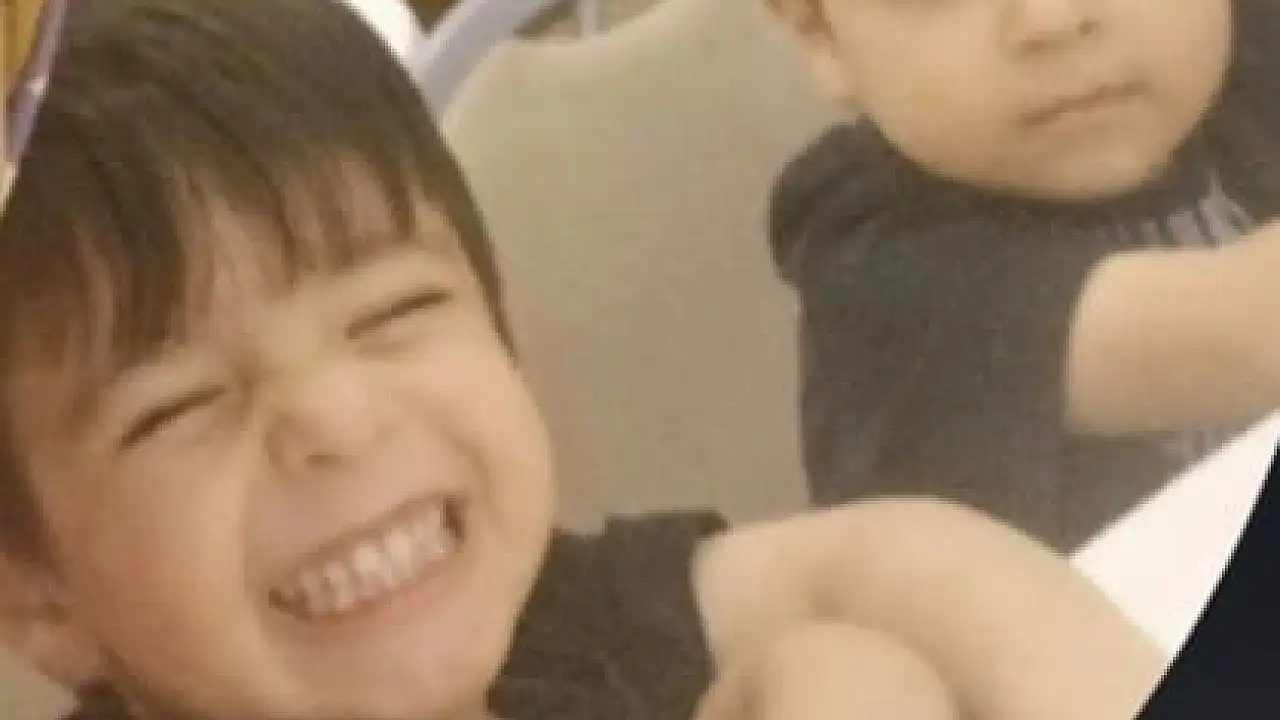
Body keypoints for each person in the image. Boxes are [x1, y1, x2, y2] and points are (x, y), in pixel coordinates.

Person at [0, 1, 1161, 719]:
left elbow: (894, 562)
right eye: (179, 405)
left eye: (395, 312)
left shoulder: (555, 633)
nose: (341, 417)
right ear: (32, 593)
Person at [763, 0, 1280, 552]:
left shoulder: (1238, 71)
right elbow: (1244, 335)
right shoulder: (875, 262)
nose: (1051, 20)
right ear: (820, 36)